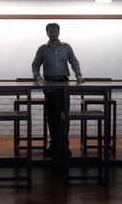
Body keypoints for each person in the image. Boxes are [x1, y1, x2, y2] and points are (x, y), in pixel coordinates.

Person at [32, 23, 84, 156]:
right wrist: (39, 78)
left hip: (64, 85)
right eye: (50, 31)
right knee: (51, 116)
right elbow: (35, 66)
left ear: (59, 32)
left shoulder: (66, 47)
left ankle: (64, 145)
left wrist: (78, 75)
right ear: (47, 33)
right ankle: (54, 144)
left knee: (64, 115)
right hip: (49, 85)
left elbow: (74, 62)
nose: (53, 33)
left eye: (55, 31)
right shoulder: (42, 49)